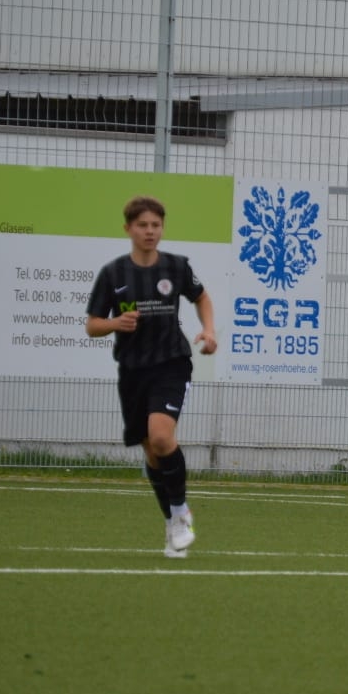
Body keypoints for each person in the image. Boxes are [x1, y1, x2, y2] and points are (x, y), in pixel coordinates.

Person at [85, 196, 217, 558]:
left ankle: (181, 513)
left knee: (161, 437)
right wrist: (115, 322)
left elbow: (202, 298)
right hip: (133, 370)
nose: (150, 231)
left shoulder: (176, 267)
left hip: (172, 363)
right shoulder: (113, 274)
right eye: (142, 225)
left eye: (155, 225)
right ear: (128, 228)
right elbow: (92, 325)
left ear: (162, 228)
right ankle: (172, 521)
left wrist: (208, 330)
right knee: (151, 450)